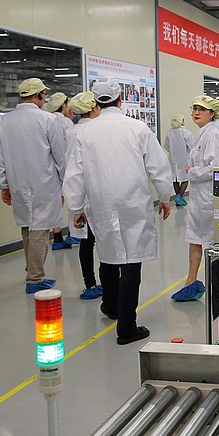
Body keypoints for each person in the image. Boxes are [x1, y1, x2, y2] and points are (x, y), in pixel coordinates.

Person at [63, 77, 172, 345]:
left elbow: (74, 173)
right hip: (132, 202)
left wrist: (76, 207)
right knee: (131, 260)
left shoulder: (84, 132)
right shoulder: (137, 128)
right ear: (120, 99)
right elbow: (158, 166)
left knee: (108, 253)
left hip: (100, 202)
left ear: (95, 101)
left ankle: (110, 306)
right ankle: (127, 326)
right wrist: (166, 196)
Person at [0, 78, 66, 293]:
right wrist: (66, 183)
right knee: (40, 230)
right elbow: (60, 156)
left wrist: (3, 185)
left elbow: (0, 159)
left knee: (27, 226)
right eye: (44, 94)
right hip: (43, 183)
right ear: (39, 96)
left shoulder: (3, 121)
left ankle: (31, 270)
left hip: (18, 182)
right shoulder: (47, 120)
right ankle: (35, 278)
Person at [172, 95, 219, 301]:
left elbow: (217, 168)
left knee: (212, 241)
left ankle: (217, 283)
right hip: (199, 197)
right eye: (194, 108)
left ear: (212, 114)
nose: (196, 112)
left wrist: (193, 171)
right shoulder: (202, 133)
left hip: (207, 197)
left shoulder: (212, 134)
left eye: (202, 109)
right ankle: (191, 282)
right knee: (194, 239)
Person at [65, 91, 104, 300]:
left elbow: (70, 172)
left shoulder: (70, 131)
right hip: (95, 195)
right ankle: (105, 285)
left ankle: (89, 283)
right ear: (94, 108)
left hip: (79, 196)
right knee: (104, 243)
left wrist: (76, 206)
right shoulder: (92, 131)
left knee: (86, 243)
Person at [46, 91, 77, 249]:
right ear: (64, 105)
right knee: (72, 198)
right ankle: (73, 233)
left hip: (49, 168)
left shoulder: (47, 119)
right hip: (64, 166)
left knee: (56, 203)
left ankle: (57, 237)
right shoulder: (66, 123)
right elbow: (69, 149)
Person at [163, 114, 195, 207]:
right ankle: (180, 196)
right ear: (182, 121)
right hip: (184, 159)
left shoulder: (169, 133)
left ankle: (178, 198)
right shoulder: (187, 133)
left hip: (173, 159)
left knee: (175, 179)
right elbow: (193, 147)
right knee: (185, 178)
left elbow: (166, 146)